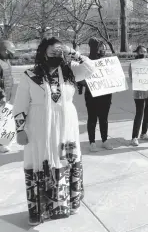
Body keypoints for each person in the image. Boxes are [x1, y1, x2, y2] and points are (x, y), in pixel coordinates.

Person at [13, 37, 95, 225]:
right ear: (43, 53)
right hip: (40, 127)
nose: (56, 57)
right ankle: (40, 211)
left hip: (67, 126)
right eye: (53, 53)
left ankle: (69, 204)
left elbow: (91, 68)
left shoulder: (69, 72)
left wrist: (73, 52)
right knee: (40, 161)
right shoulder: (30, 75)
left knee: (67, 159)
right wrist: (20, 130)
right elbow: (20, 105)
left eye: (60, 53)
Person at [79, 38, 113, 152]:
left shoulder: (106, 62)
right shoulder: (86, 62)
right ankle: (92, 142)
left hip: (105, 95)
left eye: (104, 47)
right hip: (92, 95)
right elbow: (79, 79)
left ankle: (104, 140)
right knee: (92, 118)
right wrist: (87, 83)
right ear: (94, 48)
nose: (103, 49)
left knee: (104, 119)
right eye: (100, 47)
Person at [129, 45, 148, 146]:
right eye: (141, 51)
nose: (143, 53)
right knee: (139, 113)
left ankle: (144, 133)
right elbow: (132, 78)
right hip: (139, 92)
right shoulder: (133, 64)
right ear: (137, 52)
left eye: (145, 51)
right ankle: (134, 137)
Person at [0, 40, 15, 153]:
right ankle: (2, 144)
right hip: (1, 97)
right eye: (9, 52)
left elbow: (7, 79)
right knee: (2, 121)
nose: (11, 54)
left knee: (6, 120)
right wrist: (2, 96)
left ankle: (4, 142)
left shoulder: (5, 60)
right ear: (4, 50)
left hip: (6, 96)